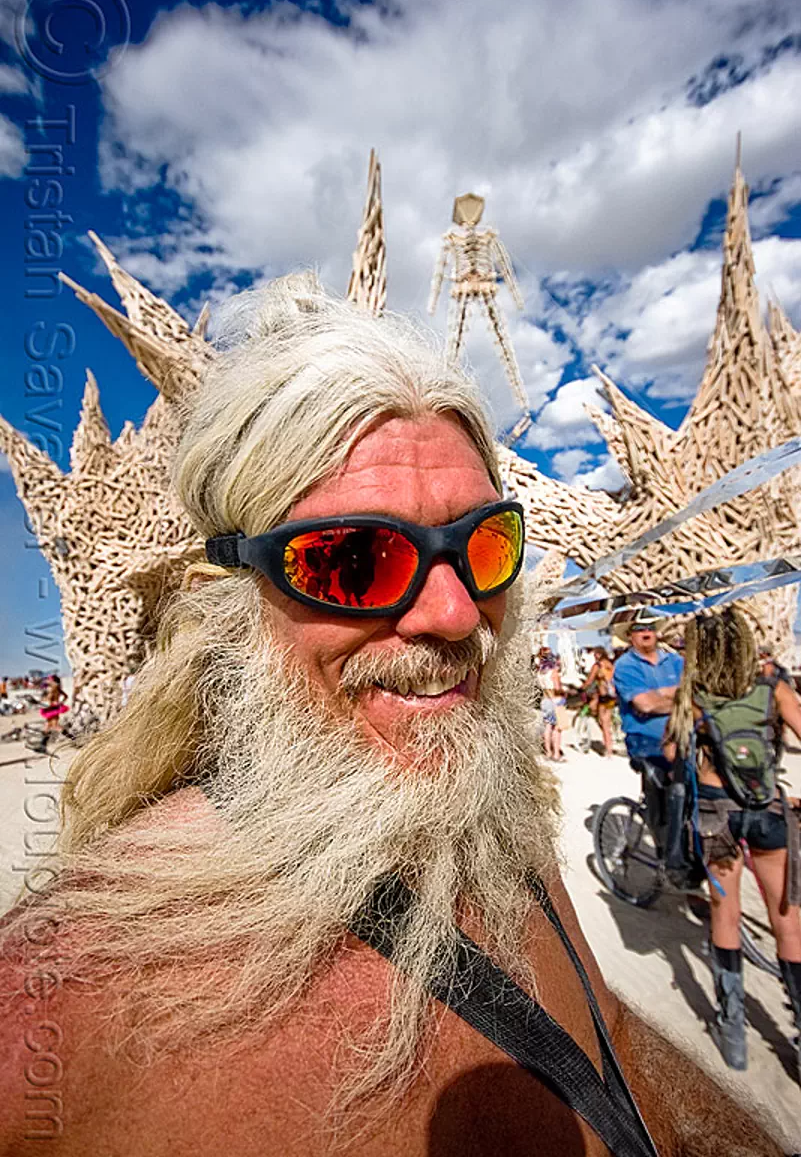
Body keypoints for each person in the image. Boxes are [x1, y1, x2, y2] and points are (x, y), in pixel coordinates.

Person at [0, 275, 785, 1156]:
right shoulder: (61, 1009)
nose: (453, 614)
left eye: (485, 545)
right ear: (228, 598)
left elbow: (610, 1037)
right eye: (352, 560)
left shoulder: (493, 827)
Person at [667, 608, 801, 1077]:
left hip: (715, 812)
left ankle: (733, 1032)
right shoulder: (773, 687)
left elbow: (672, 750)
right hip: (767, 809)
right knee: (788, 922)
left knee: (726, 912)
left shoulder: (694, 695)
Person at [613, 613, 683, 848]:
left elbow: (692, 693)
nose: (646, 632)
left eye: (650, 627)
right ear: (630, 635)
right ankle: (665, 851)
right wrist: (677, 697)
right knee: (663, 792)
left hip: (680, 734)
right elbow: (645, 704)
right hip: (645, 740)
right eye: (639, 628)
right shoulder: (625, 666)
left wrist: (659, 696)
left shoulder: (675, 661)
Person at [581, 645, 616, 757]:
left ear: (599, 654)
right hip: (612, 695)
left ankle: (608, 750)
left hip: (604, 696)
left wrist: (581, 688)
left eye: (596, 654)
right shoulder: (610, 664)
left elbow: (589, 681)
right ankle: (609, 743)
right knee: (606, 722)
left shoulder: (598, 665)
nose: (594, 656)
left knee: (603, 722)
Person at [534, 645, 566, 762]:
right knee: (557, 729)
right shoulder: (553, 672)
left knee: (547, 727)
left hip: (545, 700)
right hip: (556, 700)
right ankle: (556, 754)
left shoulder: (540, 673)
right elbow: (557, 688)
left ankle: (548, 752)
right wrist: (564, 691)